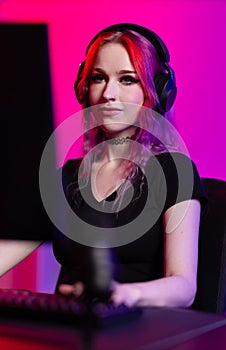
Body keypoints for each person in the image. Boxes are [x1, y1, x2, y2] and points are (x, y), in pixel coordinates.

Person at [0, 23, 207, 309]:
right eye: (99, 78)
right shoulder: (64, 179)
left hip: (138, 329)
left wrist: (126, 294)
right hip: (70, 331)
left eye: (127, 80)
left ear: (156, 90)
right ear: (84, 89)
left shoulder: (175, 172)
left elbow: (184, 286)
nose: (109, 93)